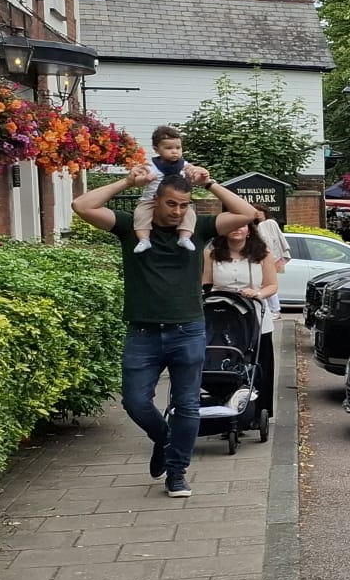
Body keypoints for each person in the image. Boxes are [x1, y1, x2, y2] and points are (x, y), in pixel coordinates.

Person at [73, 161, 262, 497]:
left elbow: (248, 213)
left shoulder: (200, 228)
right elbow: (81, 205)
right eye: (171, 204)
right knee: (135, 402)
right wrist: (128, 182)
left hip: (188, 330)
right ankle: (164, 439)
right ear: (156, 201)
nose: (177, 212)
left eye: (183, 205)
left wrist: (210, 184)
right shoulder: (131, 226)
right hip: (142, 333)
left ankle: (177, 473)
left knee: (187, 404)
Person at [204, 220, 278, 423]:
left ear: (249, 230)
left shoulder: (262, 254)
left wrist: (258, 293)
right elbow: (206, 283)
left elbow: (272, 285)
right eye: (232, 225)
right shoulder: (212, 254)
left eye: (242, 225)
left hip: (254, 316)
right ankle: (224, 405)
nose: (237, 229)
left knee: (258, 364)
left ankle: (257, 411)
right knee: (225, 360)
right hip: (223, 318)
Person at [131, 124, 193, 254]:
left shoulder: (184, 165)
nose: (175, 151)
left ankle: (184, 237)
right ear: (156, 149)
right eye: (168, 148)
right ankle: (144, 239)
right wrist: (145, 179)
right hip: (150, 200)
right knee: (140, 214)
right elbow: (136, 182)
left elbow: (193, 173)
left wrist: (196, 173)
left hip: (175, 201)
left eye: (178, 147)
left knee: (190, 214)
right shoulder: (151, 166)